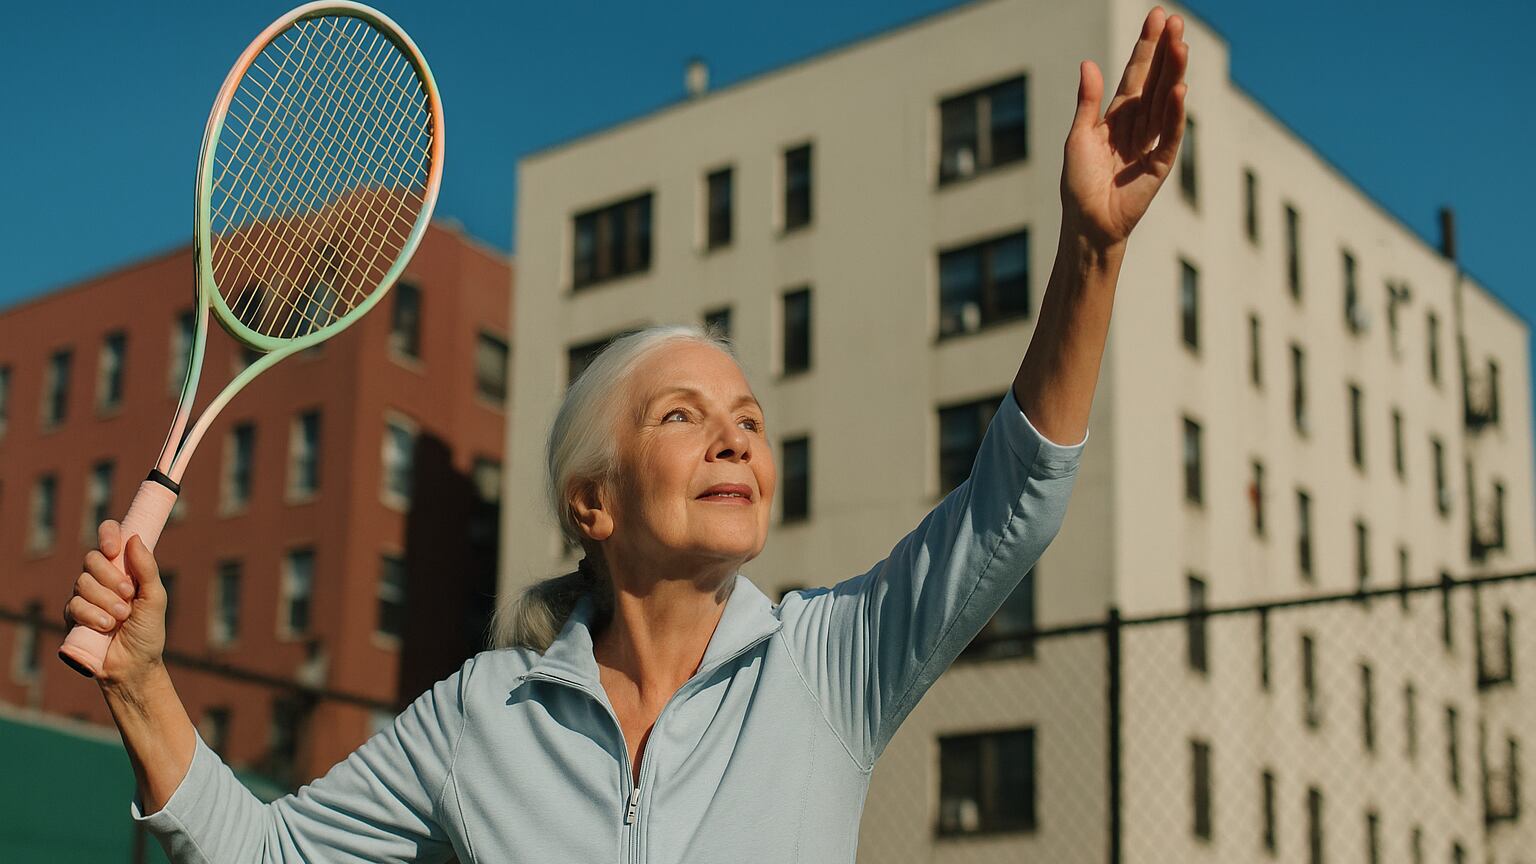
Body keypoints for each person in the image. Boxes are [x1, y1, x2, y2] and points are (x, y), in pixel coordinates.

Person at [65, 8, 1188, 861]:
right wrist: (142, 684)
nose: (736, 440)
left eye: (750, 421)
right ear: (591, 503)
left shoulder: (828, 667)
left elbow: (1015, 499)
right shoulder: (479, 717)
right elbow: (273, 852)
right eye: (683, 416)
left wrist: (1092, 248)